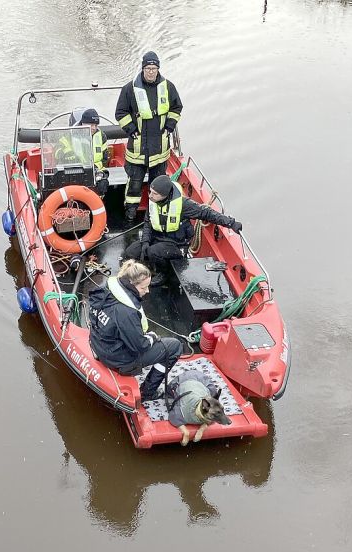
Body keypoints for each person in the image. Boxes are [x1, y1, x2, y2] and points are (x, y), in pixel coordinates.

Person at [88, 259, 183, 401]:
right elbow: (140, 346)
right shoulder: (127, 312)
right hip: (118, 359)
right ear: (132, 285)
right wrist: (151, 337)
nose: (147, 291)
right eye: (144, 288)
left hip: (99, 345)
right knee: (174, 346)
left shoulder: (106, 290)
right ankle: (147, 393)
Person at [125, 175, 242, 285]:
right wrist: (145, 241)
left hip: (176, 244)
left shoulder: (183, 205)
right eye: (150, 192)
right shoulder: (154, 202)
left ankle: (164, 274)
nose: (150, 196)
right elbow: (148, 223)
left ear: (165, 195)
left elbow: (206, 213)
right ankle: (152, 263)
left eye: (154, 194)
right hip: (157, 238)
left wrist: (231, 223)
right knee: (131, 252)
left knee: (153, 252)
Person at [115, 51, 183, 225]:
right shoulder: (129, 89)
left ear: (158, 69)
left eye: (154, 68)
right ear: (143, 68)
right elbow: (121, 112)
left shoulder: (168, 87)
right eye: (148, 68)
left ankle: (155, 218)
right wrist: (131, 130)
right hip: (137, 149)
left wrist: (169, 126)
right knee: (134, 186)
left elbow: (176, 108)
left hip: (159, 149)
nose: (151, 71)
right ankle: (130, 217)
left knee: (158, 186)